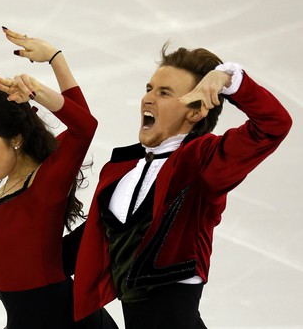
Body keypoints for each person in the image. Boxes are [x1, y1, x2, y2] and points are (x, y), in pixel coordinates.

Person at [72, 43, 292, 328]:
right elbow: (91, 239)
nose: (148, 98)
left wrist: (228, 79)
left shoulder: (203, 162)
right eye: (149, 88)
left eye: (164, 93)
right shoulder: (120, 170)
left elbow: (274, 125)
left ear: (196, 112)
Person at [0, 27, 118, 329]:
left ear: (16, 140)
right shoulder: (25, 180)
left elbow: (84, 126)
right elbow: (80, 118)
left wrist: (39, 88)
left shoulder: (44, 183)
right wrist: (55, 59)